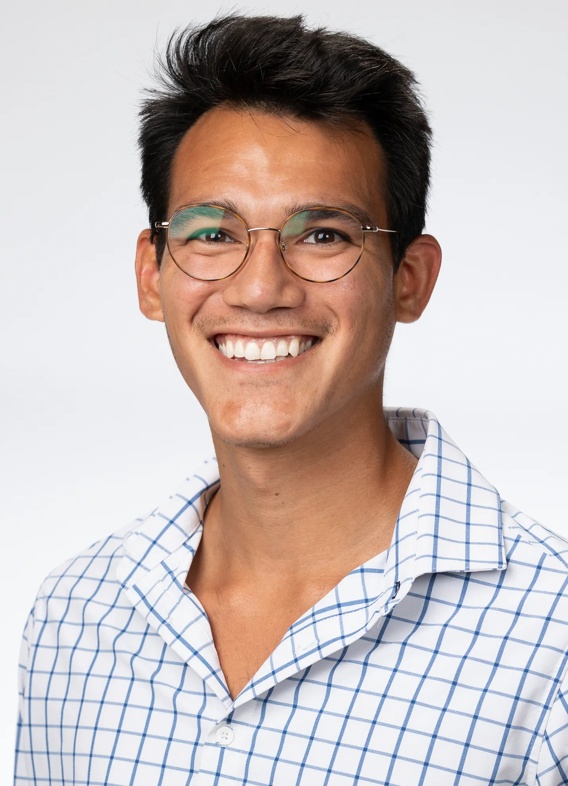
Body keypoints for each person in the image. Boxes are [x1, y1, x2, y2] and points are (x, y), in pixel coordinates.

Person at [15, 14, 568, 786]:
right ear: (153, 274)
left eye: (324, 236)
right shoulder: (79, 615)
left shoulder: (554, 639)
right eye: (211, 232)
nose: (261, 288)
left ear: (410, 278)